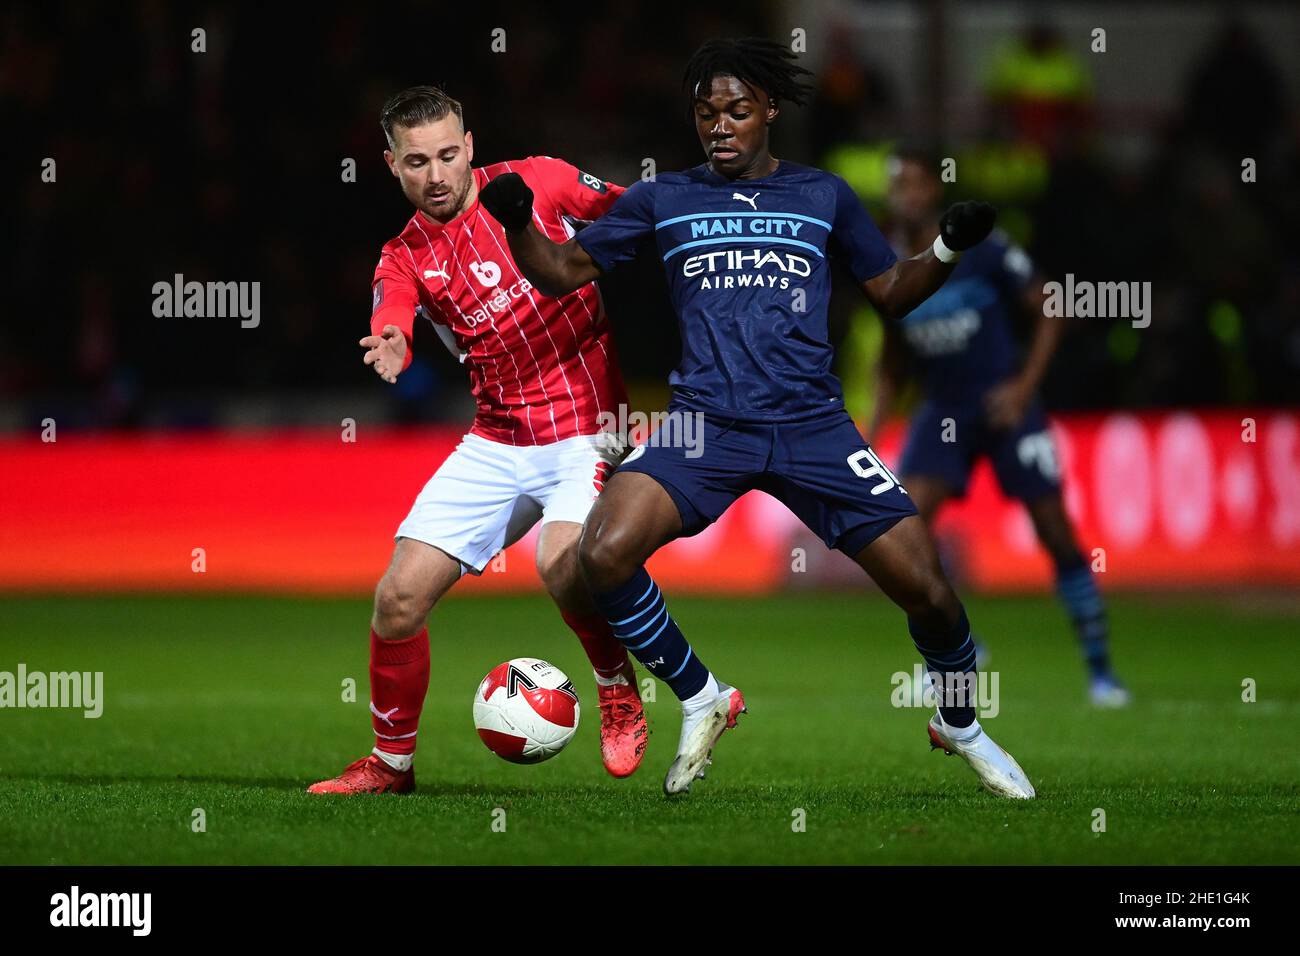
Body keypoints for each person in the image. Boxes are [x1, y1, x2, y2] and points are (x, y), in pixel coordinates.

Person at [479, 40, 1035, 799]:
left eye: (737, 110)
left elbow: (894, 292)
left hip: (812, 425)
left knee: (931, 592)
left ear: (769, 111)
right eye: (707, 113)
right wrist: (518, 224)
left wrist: (945, 245)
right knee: (600, 553)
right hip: (703, 424)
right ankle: (702, 695)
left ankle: (960, 724)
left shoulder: (825, 195)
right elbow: (560, 272)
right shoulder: (662, 199)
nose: (721, 125)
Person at [309, 85, 646, 794]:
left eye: (447, 154)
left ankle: (617, 685)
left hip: (588, 428)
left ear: (470, 144)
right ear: (391, 165)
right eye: (416, 161)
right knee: (396, 599)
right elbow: (391, 309)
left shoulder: (539, 182)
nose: (435, 175)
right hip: (497, 439)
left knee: (561, 563)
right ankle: (390, 766)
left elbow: (636, 210)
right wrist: (394, 340)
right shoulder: (403, 255)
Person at [868, 147, 1128, 707]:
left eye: (913, 184)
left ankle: (1101, 670)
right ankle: (958, 654)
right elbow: (891, 361)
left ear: (933, 190)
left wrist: (1023, 387)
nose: (905, 196)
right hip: (941, 409)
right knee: (903, 531)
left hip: (1002, 402)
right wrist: (870, 430)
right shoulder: (886, 260)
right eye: (896, 186)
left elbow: (1049, 307)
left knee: (1056, 533)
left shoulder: (978, 246)